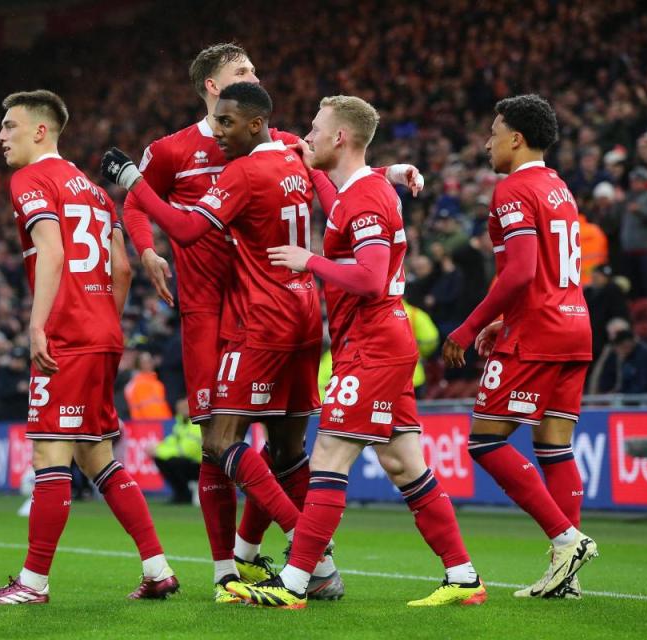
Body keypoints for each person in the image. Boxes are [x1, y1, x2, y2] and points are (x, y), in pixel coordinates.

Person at [121, 43, 419, 601]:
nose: (254, 76)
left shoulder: (271, 146)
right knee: (264, 448)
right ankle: (231, 567)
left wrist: (382, 172)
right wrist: (145, 250)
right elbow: (138, 207)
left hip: (258, 310)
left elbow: (336, 177)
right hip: (219, 311)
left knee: (227, 443)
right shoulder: (172, 150)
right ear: (213, 88)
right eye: (242, 72)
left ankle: (296, 560)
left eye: (253, 71)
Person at [228, 96, 484, 609]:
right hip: (375, 342)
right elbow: (324, 172)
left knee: (328, 456)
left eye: (318, 129)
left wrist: (310, 261)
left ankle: (295, 584)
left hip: (373, 345)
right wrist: (387, 168)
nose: (310, 136)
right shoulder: (357, 189)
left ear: (341, 137)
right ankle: (463, 576)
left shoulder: (367, 198)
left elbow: (369, 278)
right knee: (404, 463)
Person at [102, 82, 343, 603]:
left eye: (229, 123)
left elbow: (187, 229)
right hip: (306, 313)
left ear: (254, 122)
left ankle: (309, 553)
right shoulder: (292, 158)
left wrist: (131, 182)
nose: (219, 131)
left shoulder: (246, 168)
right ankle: (290, 567)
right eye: (217, 120)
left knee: (217, 442)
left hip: (259, 319)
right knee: (286, 449)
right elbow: (340, 171)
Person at [0, 90, 178, 605]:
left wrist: (39, 325)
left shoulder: (29, 179)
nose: (1, 136)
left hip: (67, 336)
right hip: (103, 335)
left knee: (48, 452)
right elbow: (122, 269)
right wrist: (105, 321)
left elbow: (51, 250)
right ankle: (157, 569)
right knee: (96, 456)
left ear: (41, 131)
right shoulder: (94, 190)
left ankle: (32, 583)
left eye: (9, 126)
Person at [442, 95, 598, 600]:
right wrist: (503, 319)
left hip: (538, 333)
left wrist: (469, 327)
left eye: (493, 132)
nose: (487, 142)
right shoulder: (559, 188)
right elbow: (544, 272)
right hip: (574, 325)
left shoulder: (513, 188)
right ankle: (564, 577)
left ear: (515, 138)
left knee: (485, 441)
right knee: (555, 446)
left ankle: (565, 539)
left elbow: (522, 271)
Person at [619, 166, 647, 298]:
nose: (634, 183)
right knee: (634, 285)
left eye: (637, 181)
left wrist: (640, 210)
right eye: (632, 181)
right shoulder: (629, 196)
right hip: (630, 249)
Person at [149, 398, 203, 504]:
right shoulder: (181, 424)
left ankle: (185, 494)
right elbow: (170, 442)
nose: (182, 410)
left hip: (200, 465)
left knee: (174, 461)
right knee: (161, 459)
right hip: (190, 464)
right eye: (180, 408)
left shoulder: (197, 424)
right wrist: (156, 449)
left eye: (185, 408)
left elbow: (186, 450)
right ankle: (181, 493)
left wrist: (159, 451)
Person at [124, 350, 173, 420]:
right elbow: (134, 408)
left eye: (150, 361)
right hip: (145, 425)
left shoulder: (158, 384)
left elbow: (163, 405)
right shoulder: (134, 385)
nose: (149, 364)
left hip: (164, 423)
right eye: (145, 362)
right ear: (138, 365)